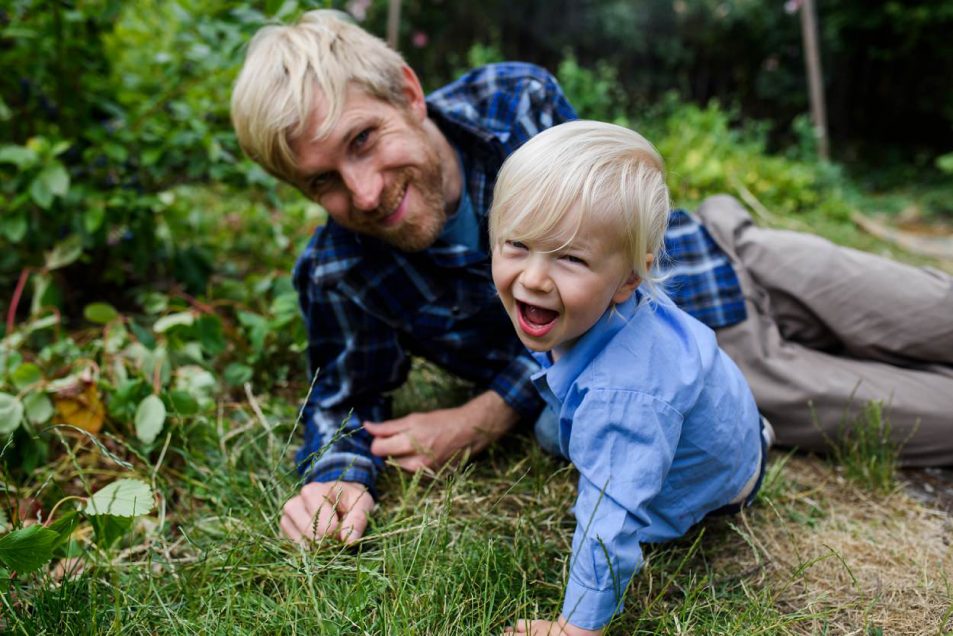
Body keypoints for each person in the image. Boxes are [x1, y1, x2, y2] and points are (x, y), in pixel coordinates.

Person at [228, 10, 953, 546]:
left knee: (934, 308)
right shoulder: (340, 271)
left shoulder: (513, 104)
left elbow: (605, 224)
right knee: (930, 415)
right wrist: (336, 477)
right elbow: (344, 398)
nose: (362, 193)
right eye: (322, 179)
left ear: (408, 94)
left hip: (718, 246)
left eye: (364, 140)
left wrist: (489, 411)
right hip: (701, 353)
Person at [490, 120, 766, 635]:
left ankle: (732, 477)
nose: (532, 277)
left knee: (601, 469)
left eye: (570, 257)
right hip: (725, 420)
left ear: (629, 279)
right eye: (517, 245)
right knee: (555, 430)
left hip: (721, 484)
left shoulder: (624, 396)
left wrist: (576, 626)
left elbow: (609, 522)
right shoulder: (591, 315)